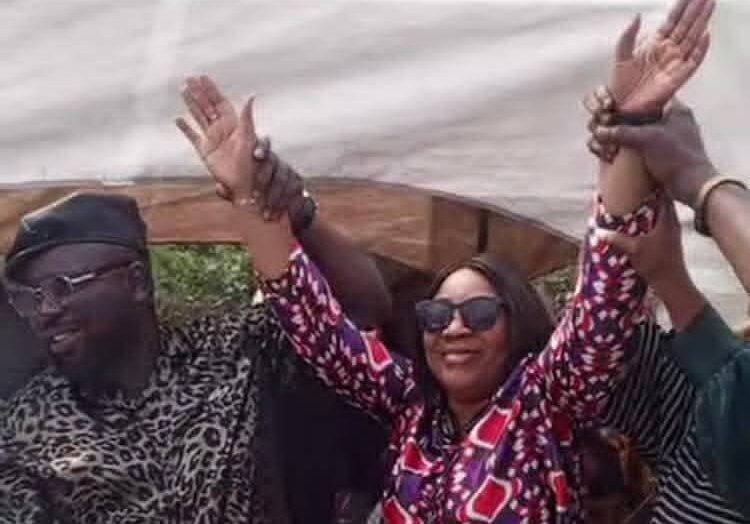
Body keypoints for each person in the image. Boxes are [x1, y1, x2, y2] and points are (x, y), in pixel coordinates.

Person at [174, 1, 710, 519]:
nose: (453, 329)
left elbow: (604, 296)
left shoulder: (545, 404)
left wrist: (630, 126)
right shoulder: (410, 407)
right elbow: (314, 323)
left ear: (517, 324)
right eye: (436, 315)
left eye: (479, 313)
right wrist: (247, 196)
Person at [0, 146, 390, 522]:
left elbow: (359, 310)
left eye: (61, 287)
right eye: (30, 298)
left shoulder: (236, 349)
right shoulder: (22, 427)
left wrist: (299, 214)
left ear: (137, 282)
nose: (44, 312)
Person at [587, 94, 750, 521]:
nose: (454, 328)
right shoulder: (719, 399)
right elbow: (604, 338)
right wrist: (629, 144)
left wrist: (696, 176)